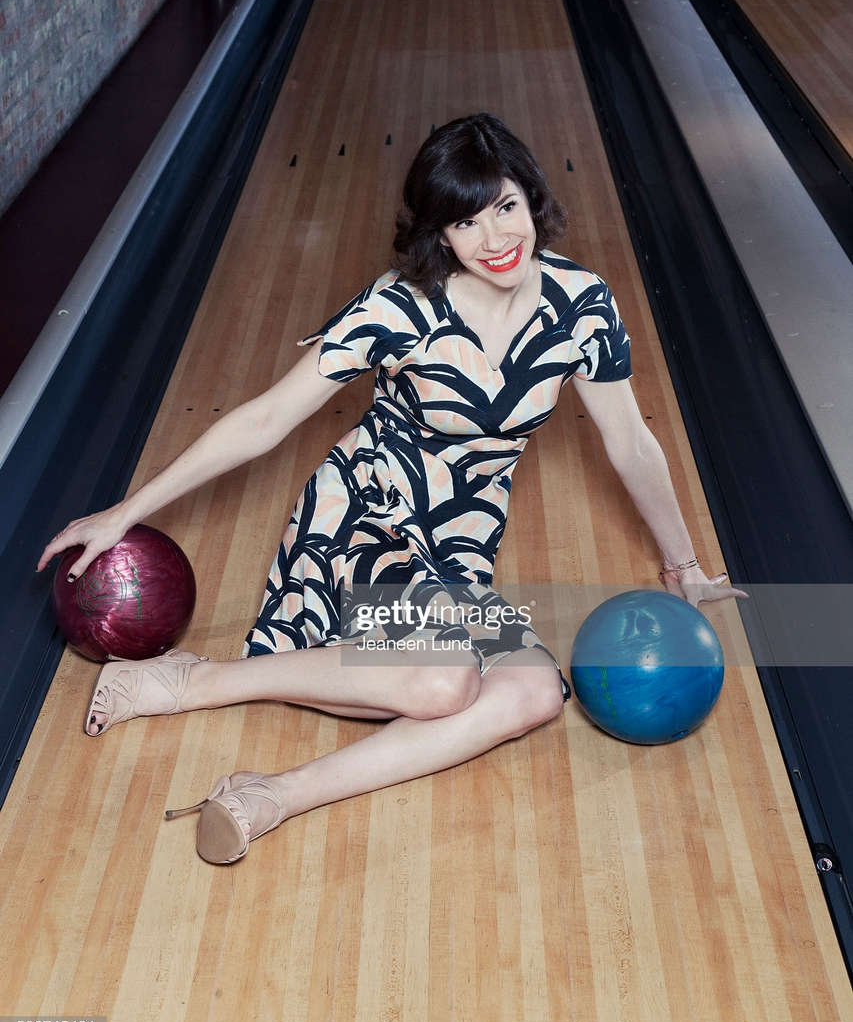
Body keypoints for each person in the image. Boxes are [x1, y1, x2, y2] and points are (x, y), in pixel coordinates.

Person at [37, 113, 744, 865]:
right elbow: (267, 418)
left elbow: (631, 442)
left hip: (458, 542)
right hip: (363, 520)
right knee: (444, 678)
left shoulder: (580, 306)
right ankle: (199, 680)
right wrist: (125, 511)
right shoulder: (400, 307)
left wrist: (682, 565)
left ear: (531, 199)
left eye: (505, 207)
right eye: (465, 222)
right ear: (438, 235)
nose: (495, 238)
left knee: (532, 695)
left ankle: (272, 793)